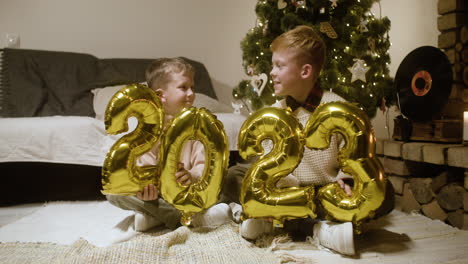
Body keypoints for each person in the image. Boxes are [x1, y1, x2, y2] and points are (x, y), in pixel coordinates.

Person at [223, 25, 394, 256]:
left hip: (326, 192)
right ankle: (309, 225)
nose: (271, 72)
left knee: (385, 191)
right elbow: (267, 165)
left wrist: (348, 182)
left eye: (279, 66)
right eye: (273, 65)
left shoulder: (337, 108)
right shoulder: (275, 112)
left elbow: (355, 157)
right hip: (288, 192)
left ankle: (302, 226)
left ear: (305, 72)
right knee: (234, 176)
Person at [107, 57, 232, 232]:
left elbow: (205, 166)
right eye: (183, 87)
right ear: (160, 95)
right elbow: (141, 166)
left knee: (226, 182)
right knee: (114, 193)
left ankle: (156, 217)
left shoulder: (197, 126)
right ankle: (182, 217)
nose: (191, 94)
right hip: (160, 196)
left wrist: (192, 176)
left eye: (192, 88)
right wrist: (145, 187)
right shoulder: (148, 130)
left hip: (190, 191)